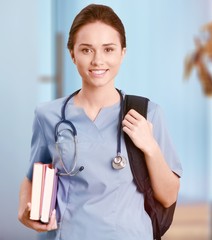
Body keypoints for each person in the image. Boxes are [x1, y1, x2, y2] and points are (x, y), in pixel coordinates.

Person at [18, 4, 182, 240]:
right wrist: (25, 209)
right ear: (72, 53)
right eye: (86, 50)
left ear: (122, 53)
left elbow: (168, 196)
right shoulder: (48, 116)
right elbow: (33, 176)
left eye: (108, 49)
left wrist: (150, 147)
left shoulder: (147, 113)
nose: (98, 61)